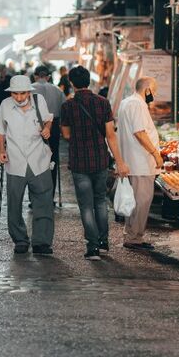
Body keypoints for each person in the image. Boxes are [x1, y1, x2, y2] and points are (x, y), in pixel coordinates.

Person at [60, 66, 129, 260]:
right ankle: (103, 240)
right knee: (100, 201)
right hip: (100, 160)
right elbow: (110, 135)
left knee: (86, 205)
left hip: (80, 162)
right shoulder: (103, 103)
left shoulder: (68, 106)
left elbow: (65, 134)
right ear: (89, 81)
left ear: (72, 84)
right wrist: (120, 161)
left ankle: (93, 247)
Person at [0, 75, 54, 256]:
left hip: (39, 160)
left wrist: (47, 128)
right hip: (15, 161)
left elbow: (48, 119)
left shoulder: (39, 100)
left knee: (43, 201)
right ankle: (20, 240)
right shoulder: (5, 105)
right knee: (14, 203)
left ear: (29, 92)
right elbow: (0, 130)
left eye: (22, 94)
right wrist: (0, 150)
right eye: (15, 94)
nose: (19, 98)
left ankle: (42, 242)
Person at [117, 77, 163, 249]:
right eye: (155, 90)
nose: (155, 94)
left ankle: (131, 234)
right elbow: (140, 132)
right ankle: (134, 238)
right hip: (140, 163)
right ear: (148, 90)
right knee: (142, 202)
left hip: (133, 161)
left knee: (135, 201)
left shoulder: (126, 103)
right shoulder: (137, 104)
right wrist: (155, 154)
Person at [31, 65, 65, 194]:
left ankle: (36, 193)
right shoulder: (57, 90)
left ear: (35, 75)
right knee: (53, 158)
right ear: (48, 77)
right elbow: (63, 111)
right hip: (54, 126)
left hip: (34, 125)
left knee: (34, 158)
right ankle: (50, 193)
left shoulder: (30, 89)